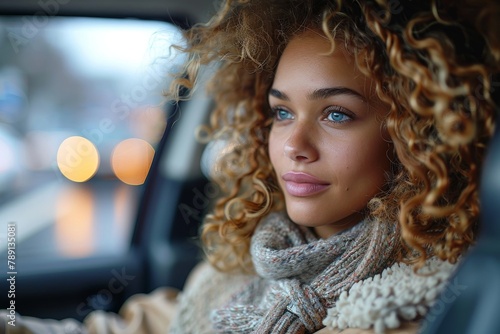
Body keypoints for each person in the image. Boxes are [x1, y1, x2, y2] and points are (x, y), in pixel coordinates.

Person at [1, 0, 499, 333]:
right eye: (282, 112)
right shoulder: (241, 264)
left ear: (415, 134)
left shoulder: (423, 303)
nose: (294, 145)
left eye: (336, 114)